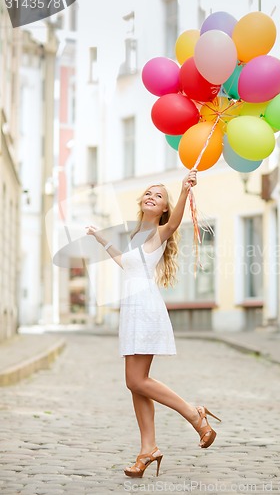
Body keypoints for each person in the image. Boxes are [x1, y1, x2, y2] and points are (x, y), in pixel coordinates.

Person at [86, 168, 221, 478]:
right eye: (148, 192)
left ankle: (193, 414)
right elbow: (126, 265)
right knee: (136, 385)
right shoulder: (137, 237)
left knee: (136, 380)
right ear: (142, 202)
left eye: (159, 196)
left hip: (145, 309)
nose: (151, 196)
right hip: (132, 309)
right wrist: (101, 238)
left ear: (162, 209)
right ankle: (148, 449)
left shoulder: (160, 231)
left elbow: (175, 224)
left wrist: (185, 189)